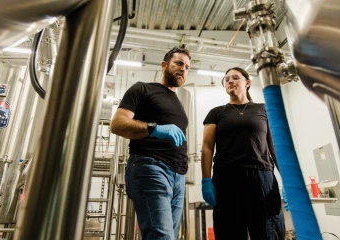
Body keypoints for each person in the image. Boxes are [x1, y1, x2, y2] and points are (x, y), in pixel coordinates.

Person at [110, 47, 191, 240]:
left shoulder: (178, 101)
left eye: (187, 67)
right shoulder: (143, 89)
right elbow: (117, 124)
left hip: (178, 177)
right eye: (179, 63)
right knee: (161, 237)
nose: (183, 69)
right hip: (151, 167)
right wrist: (154, 128)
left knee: (169, 236)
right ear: (164, 65)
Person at [201, 67, 285, 239]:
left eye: (235, 78)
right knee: (229, 233)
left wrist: (289, 180)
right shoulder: (216, 113)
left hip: (261, 179)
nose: (229, 81)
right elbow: (207, 147)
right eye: (226, 79)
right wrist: (206, 179)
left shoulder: (264, 109)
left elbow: (275, 146)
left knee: (268, 232)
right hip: (226, 180)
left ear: (247, 83)